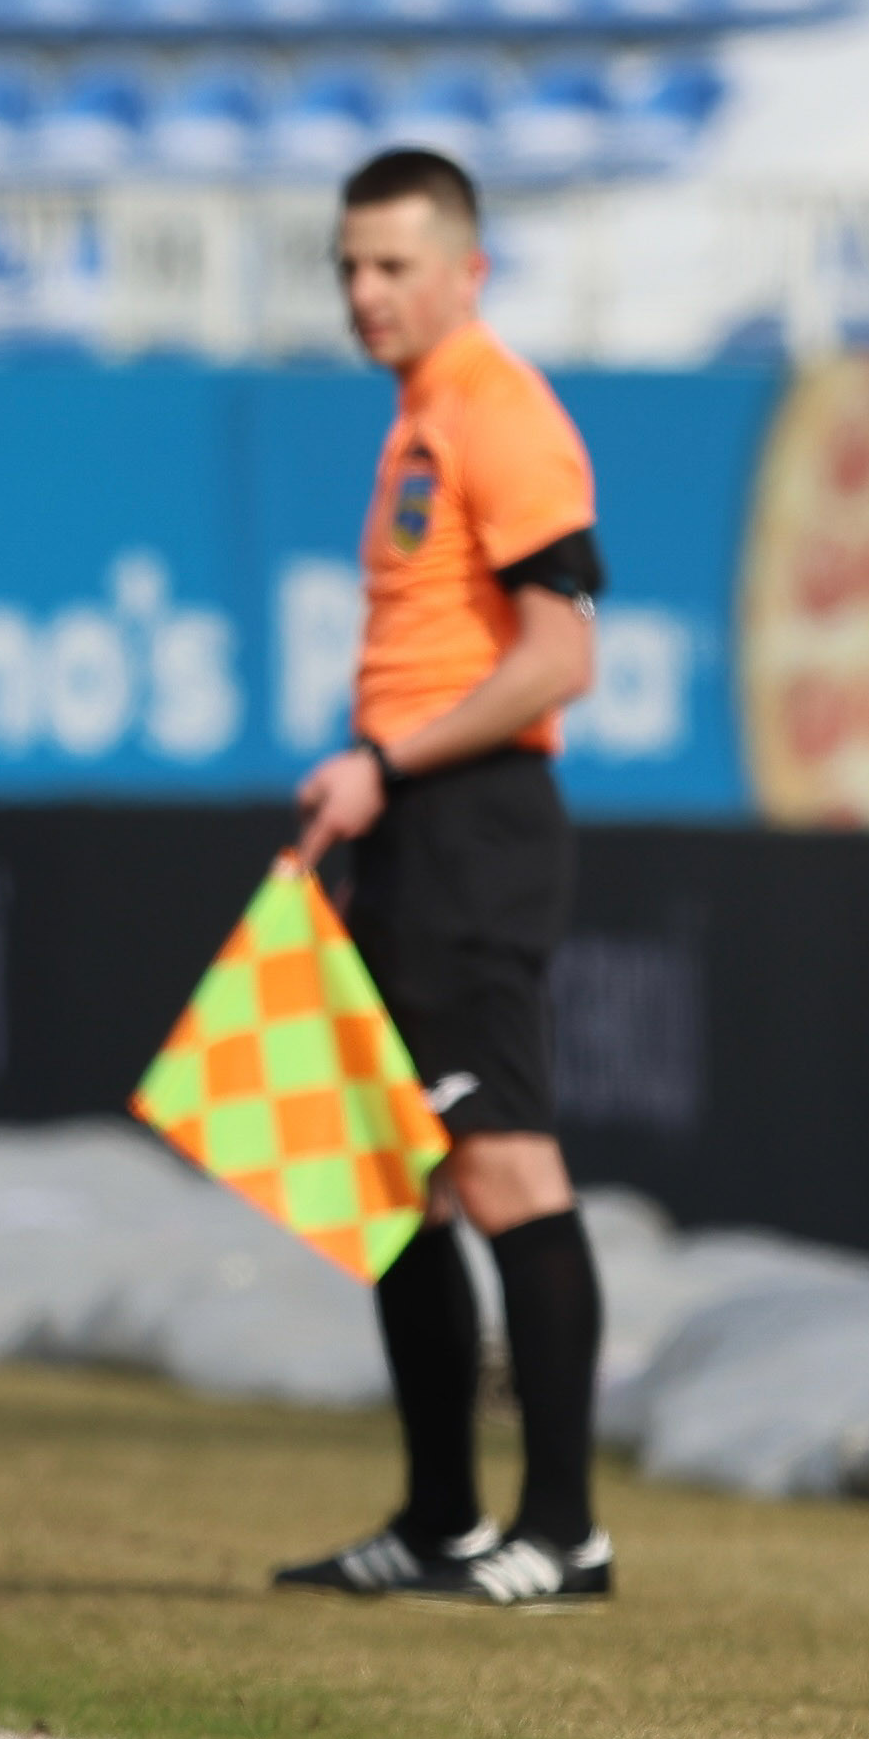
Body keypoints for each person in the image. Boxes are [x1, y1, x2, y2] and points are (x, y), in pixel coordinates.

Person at [274, 150, 610, 1613]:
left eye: (393, 266)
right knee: (391, 1173)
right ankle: (438, 1519)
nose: (366, 292)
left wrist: (386, 763)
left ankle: (566, 1531)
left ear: (468, 271)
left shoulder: (500, 409)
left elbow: (560, 657)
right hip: (411, 823)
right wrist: (374, 786)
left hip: (475, 826)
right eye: (350, 266)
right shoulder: (421, 415)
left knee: (504, 1163)